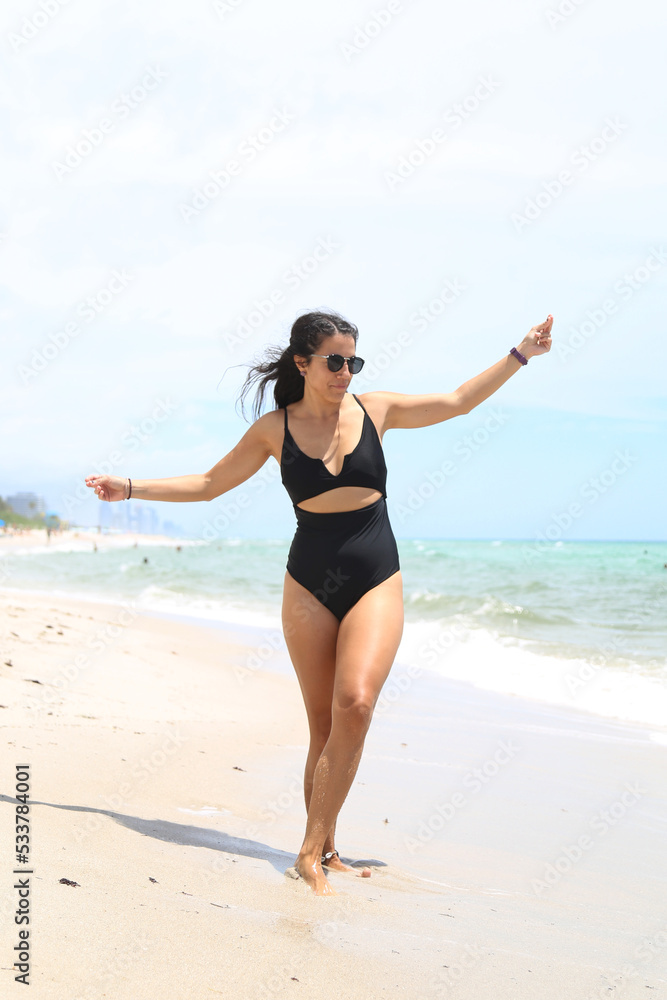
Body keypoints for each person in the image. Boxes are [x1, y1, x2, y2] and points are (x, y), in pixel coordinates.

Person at [85, 309, 553, 896]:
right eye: (335, 361)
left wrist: (519, 355)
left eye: (353, 361)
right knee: (322, 725)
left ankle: (308, 851)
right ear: (303, 363)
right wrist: (128, 487)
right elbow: (208, 485)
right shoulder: (272, 430)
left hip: (375, 572)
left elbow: (458, 401)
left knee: (355, 703)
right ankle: (326, 848)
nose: (346, 372)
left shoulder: (376, 410)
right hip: (309, 581)